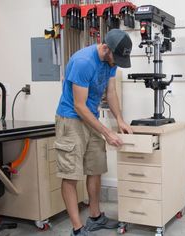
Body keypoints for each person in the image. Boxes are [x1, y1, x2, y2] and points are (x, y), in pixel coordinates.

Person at [54, 29, 133, 236]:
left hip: (91, 119)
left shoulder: (111, 62)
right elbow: (80, 106)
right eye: (115, 59)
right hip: (71, 119)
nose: (115, 63)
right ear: (106, 48)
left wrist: (120, 120)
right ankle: (77, 229)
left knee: (95, 168)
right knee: (71, 175)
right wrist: (107, 132)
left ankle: (95, 217)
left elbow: (111, 92)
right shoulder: (83, 62)